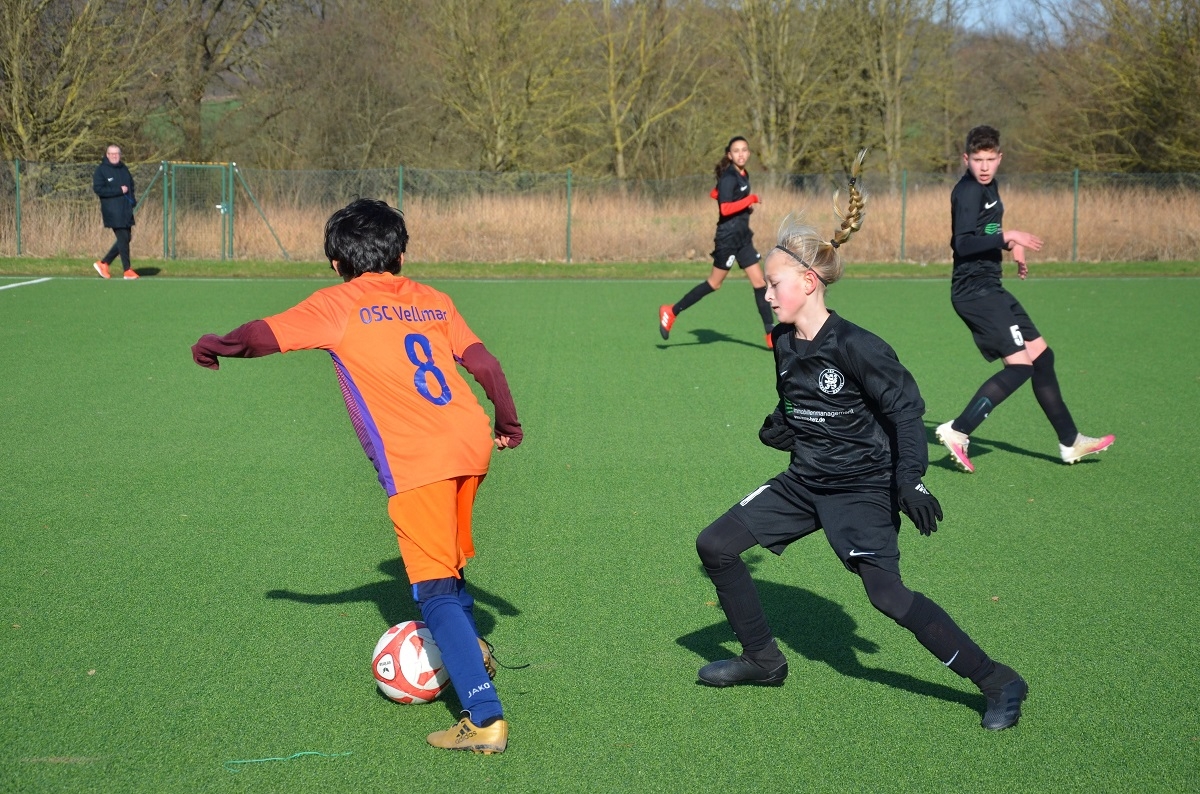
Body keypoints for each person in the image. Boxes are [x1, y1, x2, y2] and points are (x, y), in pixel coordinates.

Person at [692, 151, 1029, 731]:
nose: (767, 295)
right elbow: (801, 401)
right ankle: (764, 661)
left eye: (773, 285)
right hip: (806, 480)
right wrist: (784, 424)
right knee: (716, 545)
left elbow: (904, 408)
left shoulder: (858, 344)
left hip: (862, 487)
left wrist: (910, 480)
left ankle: (999, 680)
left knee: (886, 597)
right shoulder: (783, 340)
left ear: (807, 283)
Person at [190, 199, 522, 754]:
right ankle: (475, 648)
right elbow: (485, 364)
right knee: (451, 563)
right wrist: (507, 423)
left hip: (418, 459)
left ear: (336, 263)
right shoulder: (432, 299)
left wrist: (216, 345)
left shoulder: (338, 303)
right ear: (401, 253)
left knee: (433, 589)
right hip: (468, 441)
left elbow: (264, 333)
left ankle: (484, 715)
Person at [935, 125, 1113, 473]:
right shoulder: (968, 191)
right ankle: (958, 430)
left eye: (990, 159)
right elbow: (963, 242)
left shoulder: (990, 185)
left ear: (999, 158)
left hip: (992, 286)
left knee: (1042, 357)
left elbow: (984, 230)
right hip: (974, 292)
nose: (984, 166)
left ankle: (1070, 441)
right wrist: (1008, 234)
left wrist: (1010, 244)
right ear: (965, 159)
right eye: (977, 160)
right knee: (1020, 366)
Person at [659, 136, 775, 348]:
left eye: (744, 150)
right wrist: (749, 200)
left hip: (743, 238)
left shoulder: (743, 174)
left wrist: (744, 207)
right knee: (714, 283)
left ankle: (770, 335)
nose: (741, 154)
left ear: (748, 153)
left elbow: (716, 194)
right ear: (729, 155)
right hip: (728, 239)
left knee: (760, 283)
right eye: (736, 151)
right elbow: (725, 208)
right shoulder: (730, 177)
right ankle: (671, 311)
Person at [91, 145, 138, 280]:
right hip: (112, 210)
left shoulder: (124, 169)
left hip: (126, 210)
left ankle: (104, 263)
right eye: (111, 154)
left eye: (117, 153)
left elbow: (131, 186)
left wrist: (132, 201)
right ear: (107, 155)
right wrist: (118, 190)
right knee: (123, 238)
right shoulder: (101, 170)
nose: (114, 156)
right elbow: (99, 189)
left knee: (126, 238)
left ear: (120, 155)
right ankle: (127, 270)